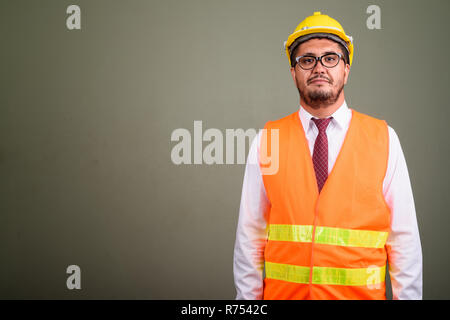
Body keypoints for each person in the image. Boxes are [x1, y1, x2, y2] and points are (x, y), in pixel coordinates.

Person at [233, 11, 422, 300]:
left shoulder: (384, 138)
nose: (319, 67)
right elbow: (249, 238)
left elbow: (404, 240)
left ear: (346, 69)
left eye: (330, 58)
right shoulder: (267, 141)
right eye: (307, 60)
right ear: (293, 72)